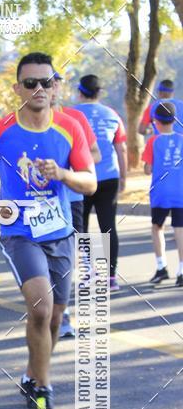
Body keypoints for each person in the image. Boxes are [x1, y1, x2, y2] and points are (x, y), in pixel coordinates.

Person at [0, 52, 96, 409]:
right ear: (17, 88)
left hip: (59, 232)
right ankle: (43, 389)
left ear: (55, 86)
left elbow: (90, 183)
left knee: (54, 319)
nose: (39, 88)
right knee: (40, 308)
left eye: (46, 82)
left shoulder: (70, 127)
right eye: (30, 82)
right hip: (20, 234)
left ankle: (30, 375)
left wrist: (63, 175)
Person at [51, 73, 101, 338]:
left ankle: (65, 314)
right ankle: (50, 308)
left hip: (70, 198)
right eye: (40, 82)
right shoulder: (21, 122)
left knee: (67, 257)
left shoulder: (74, 118)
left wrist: (68, 169)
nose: (48, 88)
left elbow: (95, 154)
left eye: (53, 82)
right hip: (38, 203)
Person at [73, 74, 127, 291]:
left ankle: (86, 274)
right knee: (108, 226)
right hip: (109, 177)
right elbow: (121, 149)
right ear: (99, 93)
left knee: (81, 228)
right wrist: (123, 177)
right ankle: (110, 277)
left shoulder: (71, 115)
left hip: (82, 177)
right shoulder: (112, 114)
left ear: (80, 92)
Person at [141, 102, 183, 286]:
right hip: (180, 192)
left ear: (155, 121)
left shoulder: (153, 141)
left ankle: (161, 267)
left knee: (157, 228)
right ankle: (181, 270)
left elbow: (147, 169)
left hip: (160, 193)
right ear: (174, 120)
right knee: (180, 229)